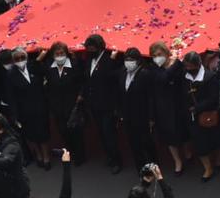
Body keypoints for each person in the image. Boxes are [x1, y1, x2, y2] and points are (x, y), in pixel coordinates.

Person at [4, 47, 51, 169]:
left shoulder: (34, 66)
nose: (20, 60)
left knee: (43, 133)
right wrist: (14, 115)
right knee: (31, 134)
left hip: (40, 106)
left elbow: (47, 73)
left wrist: (40, 58)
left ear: (26, 57)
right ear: (13, 60)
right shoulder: (10, 74)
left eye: (22, 57)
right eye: (17, 58)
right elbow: (11, 97)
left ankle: (46, 157)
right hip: (24, 110)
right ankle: (39, 156)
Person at [82, 34, 123, 174]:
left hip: (108, 105)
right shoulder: (89, 60)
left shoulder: (109, 58)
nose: (90, 50)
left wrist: (111, 60)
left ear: (99, 47)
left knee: (109, 133)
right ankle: (109, 156)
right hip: (94, 104)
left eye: (92, 47)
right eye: (88, 48)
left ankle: (117, 161)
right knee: (101, 132)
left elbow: (110, 77)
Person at [149, 41, 188, 174]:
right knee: (170, 135)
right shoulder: (153, 68)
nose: (156, 58)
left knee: (184, 131)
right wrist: (176, 62)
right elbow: (164, 78)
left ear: (166, 53)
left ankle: (188, 153)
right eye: (154, 56)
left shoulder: (179, 65)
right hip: (164, 108)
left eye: (159, 54)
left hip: (179, 104)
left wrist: (177, 63)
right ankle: (177, 160)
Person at [182, 51, 220, 182]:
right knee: (199, 143)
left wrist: (197, 107)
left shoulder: (209, 77)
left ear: (197, 65)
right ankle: (208, 168)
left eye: (190, 66)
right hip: (191, 117)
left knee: (214, 139)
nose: (188, 69)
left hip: (207, 114)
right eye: (186, 66)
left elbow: (214, 98)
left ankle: (219, 160)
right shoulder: (184, 77)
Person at [45, 42, 86, 166]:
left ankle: (80, 156)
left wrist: (80, 95)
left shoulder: (74, 64)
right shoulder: (49, 67)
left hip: (72, 105)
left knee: (76, 132)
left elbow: (82, 81)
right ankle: (71, 153)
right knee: (63, 132)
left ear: (66, 53)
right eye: (57, 54)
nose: (59, 56)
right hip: (57, 106)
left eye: (62, 53)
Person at [119, 48, 157, 169]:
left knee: (146, 142)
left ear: (138, 61)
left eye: (131, 60)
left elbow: (151, 97)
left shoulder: (145, 74)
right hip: (128, 115)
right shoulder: (123, 73)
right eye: (126, 59)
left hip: (142, 115)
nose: (128, 62)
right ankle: (140, 167)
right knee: (133, 143)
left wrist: (151, 117)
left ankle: (153, 165)